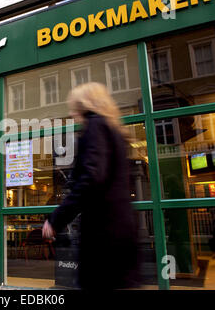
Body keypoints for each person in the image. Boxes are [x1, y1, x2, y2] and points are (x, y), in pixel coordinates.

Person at [42, 82, 140, 290]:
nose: (72, 114)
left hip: (103, 237)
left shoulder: (95, 127)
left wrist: (57, 218)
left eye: (75, 108)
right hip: (121, 233)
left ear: (85, 106)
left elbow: (91, 179)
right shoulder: (115, 130)